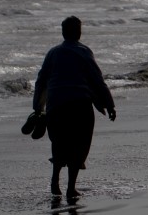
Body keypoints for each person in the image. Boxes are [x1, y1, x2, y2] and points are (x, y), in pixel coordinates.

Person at [33, 16, 116, 199]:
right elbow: (97, 80)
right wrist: (109, 104)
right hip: (79, 105)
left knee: (59, 143)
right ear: (78, 32)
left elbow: (41, 80)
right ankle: (71, 187)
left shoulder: (53, 53)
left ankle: (55, 181)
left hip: (56, 105)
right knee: (79, 145)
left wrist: (37, 106)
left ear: (63, 32)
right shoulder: (84, 52)